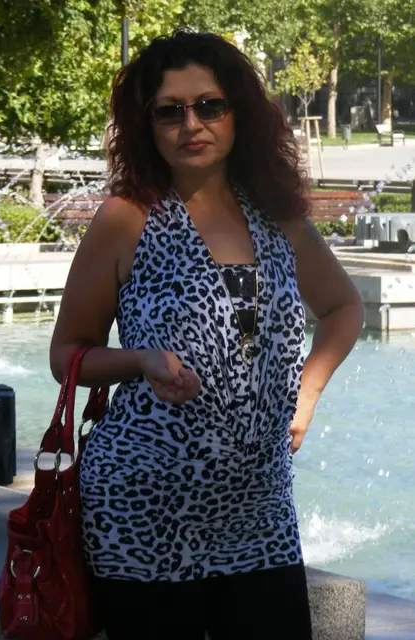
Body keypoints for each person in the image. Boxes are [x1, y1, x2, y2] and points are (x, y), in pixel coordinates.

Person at [49, 28, 364, 640]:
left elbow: (343, 306)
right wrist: (141, 360)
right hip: (143, 510)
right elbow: (67, 356)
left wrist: (307, 391)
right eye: (169, 111)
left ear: (237, 112)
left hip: (260, 509)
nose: (190, 124)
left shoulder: (277, 217)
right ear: (147, 126)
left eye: (209, 105)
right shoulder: (126, 219)